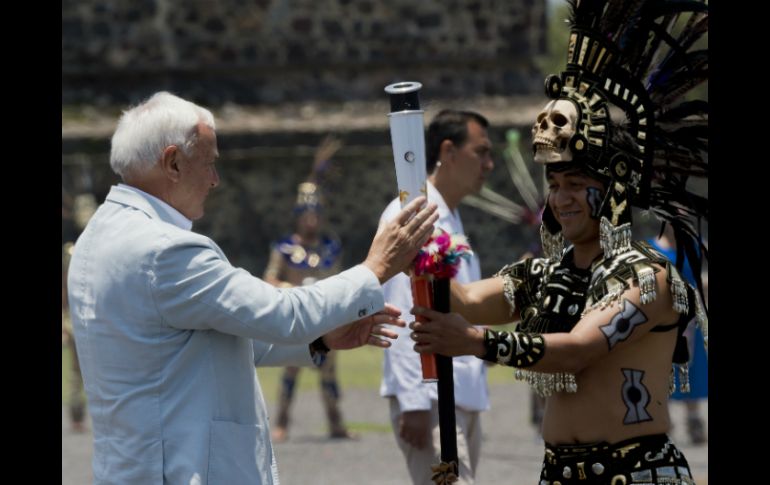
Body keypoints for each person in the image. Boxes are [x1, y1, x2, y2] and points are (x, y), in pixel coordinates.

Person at [67, 91, 439, 484]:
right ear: (173, 162)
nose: (215, 180)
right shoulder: (165, 250)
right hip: (182, 469)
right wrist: (375, 267)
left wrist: (321, 340)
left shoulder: (99, 236)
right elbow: (282, 314)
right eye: (209, 164)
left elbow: (205, 340)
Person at [408, 2, 708, 483]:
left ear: (614, 188)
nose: (562, 198)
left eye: (575, 183)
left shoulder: (647, 276)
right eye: (555, 184)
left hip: (638, 475)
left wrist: (472, 342)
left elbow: (576, 350)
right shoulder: (546, 273)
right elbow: (462, 299)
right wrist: (420, 251)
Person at [379, 109, 494, 484]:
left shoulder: (449, 215)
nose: (489, 165)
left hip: (462, 390)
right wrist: (412, 401)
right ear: (449, 150)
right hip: (431, 398)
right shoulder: (413, 212)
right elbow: (401, 306)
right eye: (481, 152)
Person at [265, 136, 356, 442]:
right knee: (291, 372)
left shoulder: (330, 247)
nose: (312, 219)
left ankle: (336, 423)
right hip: (297, 318)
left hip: (325, 318)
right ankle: (281, 423)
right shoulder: (285, 248)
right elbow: (270, 280)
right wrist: (294, 288)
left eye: (315, 213)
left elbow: (339, 279)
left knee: (329, 375)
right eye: (307, 214)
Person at [648, 226, 708, 445]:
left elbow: (698, 282)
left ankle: (693, 420)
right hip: (662, 319)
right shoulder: (651, 249)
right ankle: (664, 423)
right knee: (662, 370)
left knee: (690, 369)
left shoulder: (691, 246)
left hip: (690, 320)